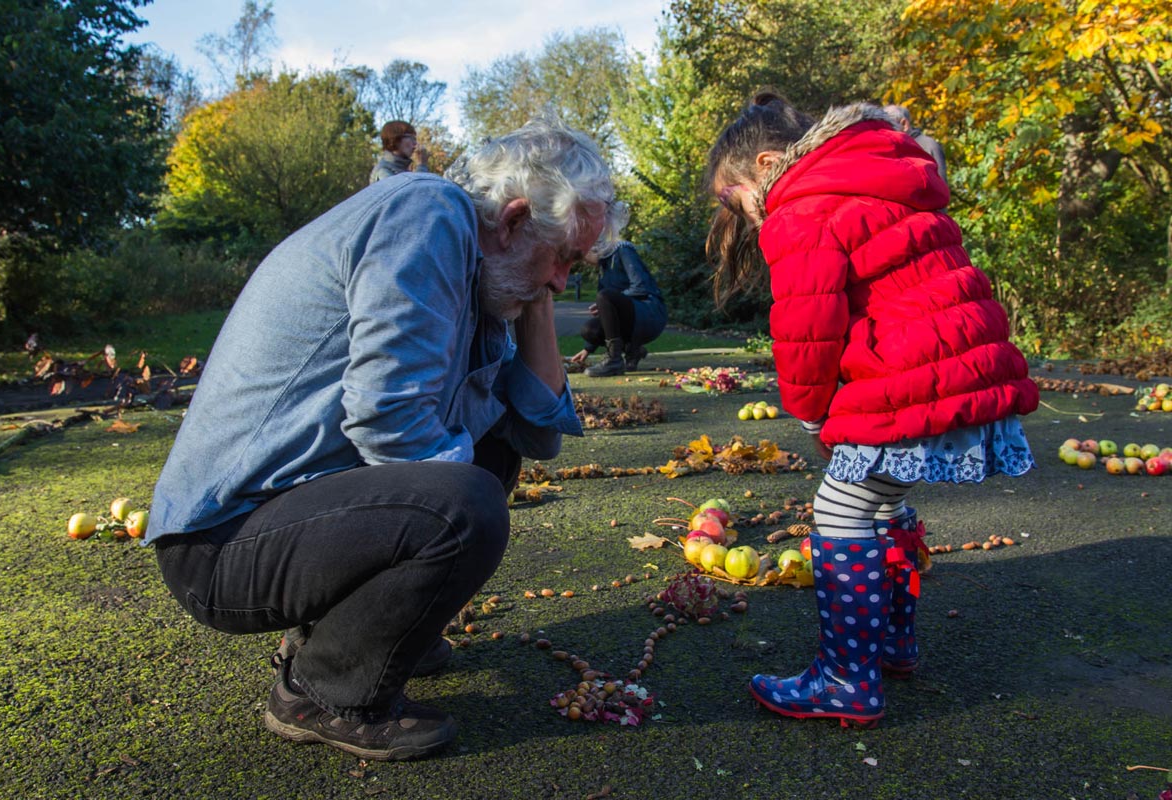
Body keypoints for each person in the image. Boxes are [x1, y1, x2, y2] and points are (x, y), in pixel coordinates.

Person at [146, 116, 626, 761]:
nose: (567, 282)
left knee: (493, 450)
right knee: (466, 501)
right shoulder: (426, 212)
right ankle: (322, 690)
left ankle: (363, 633)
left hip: (285, 525)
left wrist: (537, 292)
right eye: (566, 259)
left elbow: (538, 431)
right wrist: (455, 526)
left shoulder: (485, 276)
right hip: (221, 547)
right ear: (511, 221)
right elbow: (387, 417)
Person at [705, 89, 1038, 728]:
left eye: (734, 199)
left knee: (840, 506)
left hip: (912, 381)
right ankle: (892, 643)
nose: (743, 216)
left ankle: (845, 680)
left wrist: (809, 416)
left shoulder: (801, 208)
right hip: (959, 370)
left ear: (769, 167)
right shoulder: (880, 177)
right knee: (884, 501)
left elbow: (808, 333)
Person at [568, 240, 667, 376]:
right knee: (590, 330)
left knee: (605, 296)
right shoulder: (604, 267)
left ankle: (614, 361)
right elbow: (608, 317)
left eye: (583, 257)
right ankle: (632, 349)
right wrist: (588, 349)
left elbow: (641, 286)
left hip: (649, 313)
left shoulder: (622, 250)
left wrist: (611, 300)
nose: (585, 262)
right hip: (631, 318)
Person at [883, 104, 948, 185]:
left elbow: (941, 187)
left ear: (904, 124)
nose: (884, 133)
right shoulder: (889, 148)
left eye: (888, 127)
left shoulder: (927, 146)